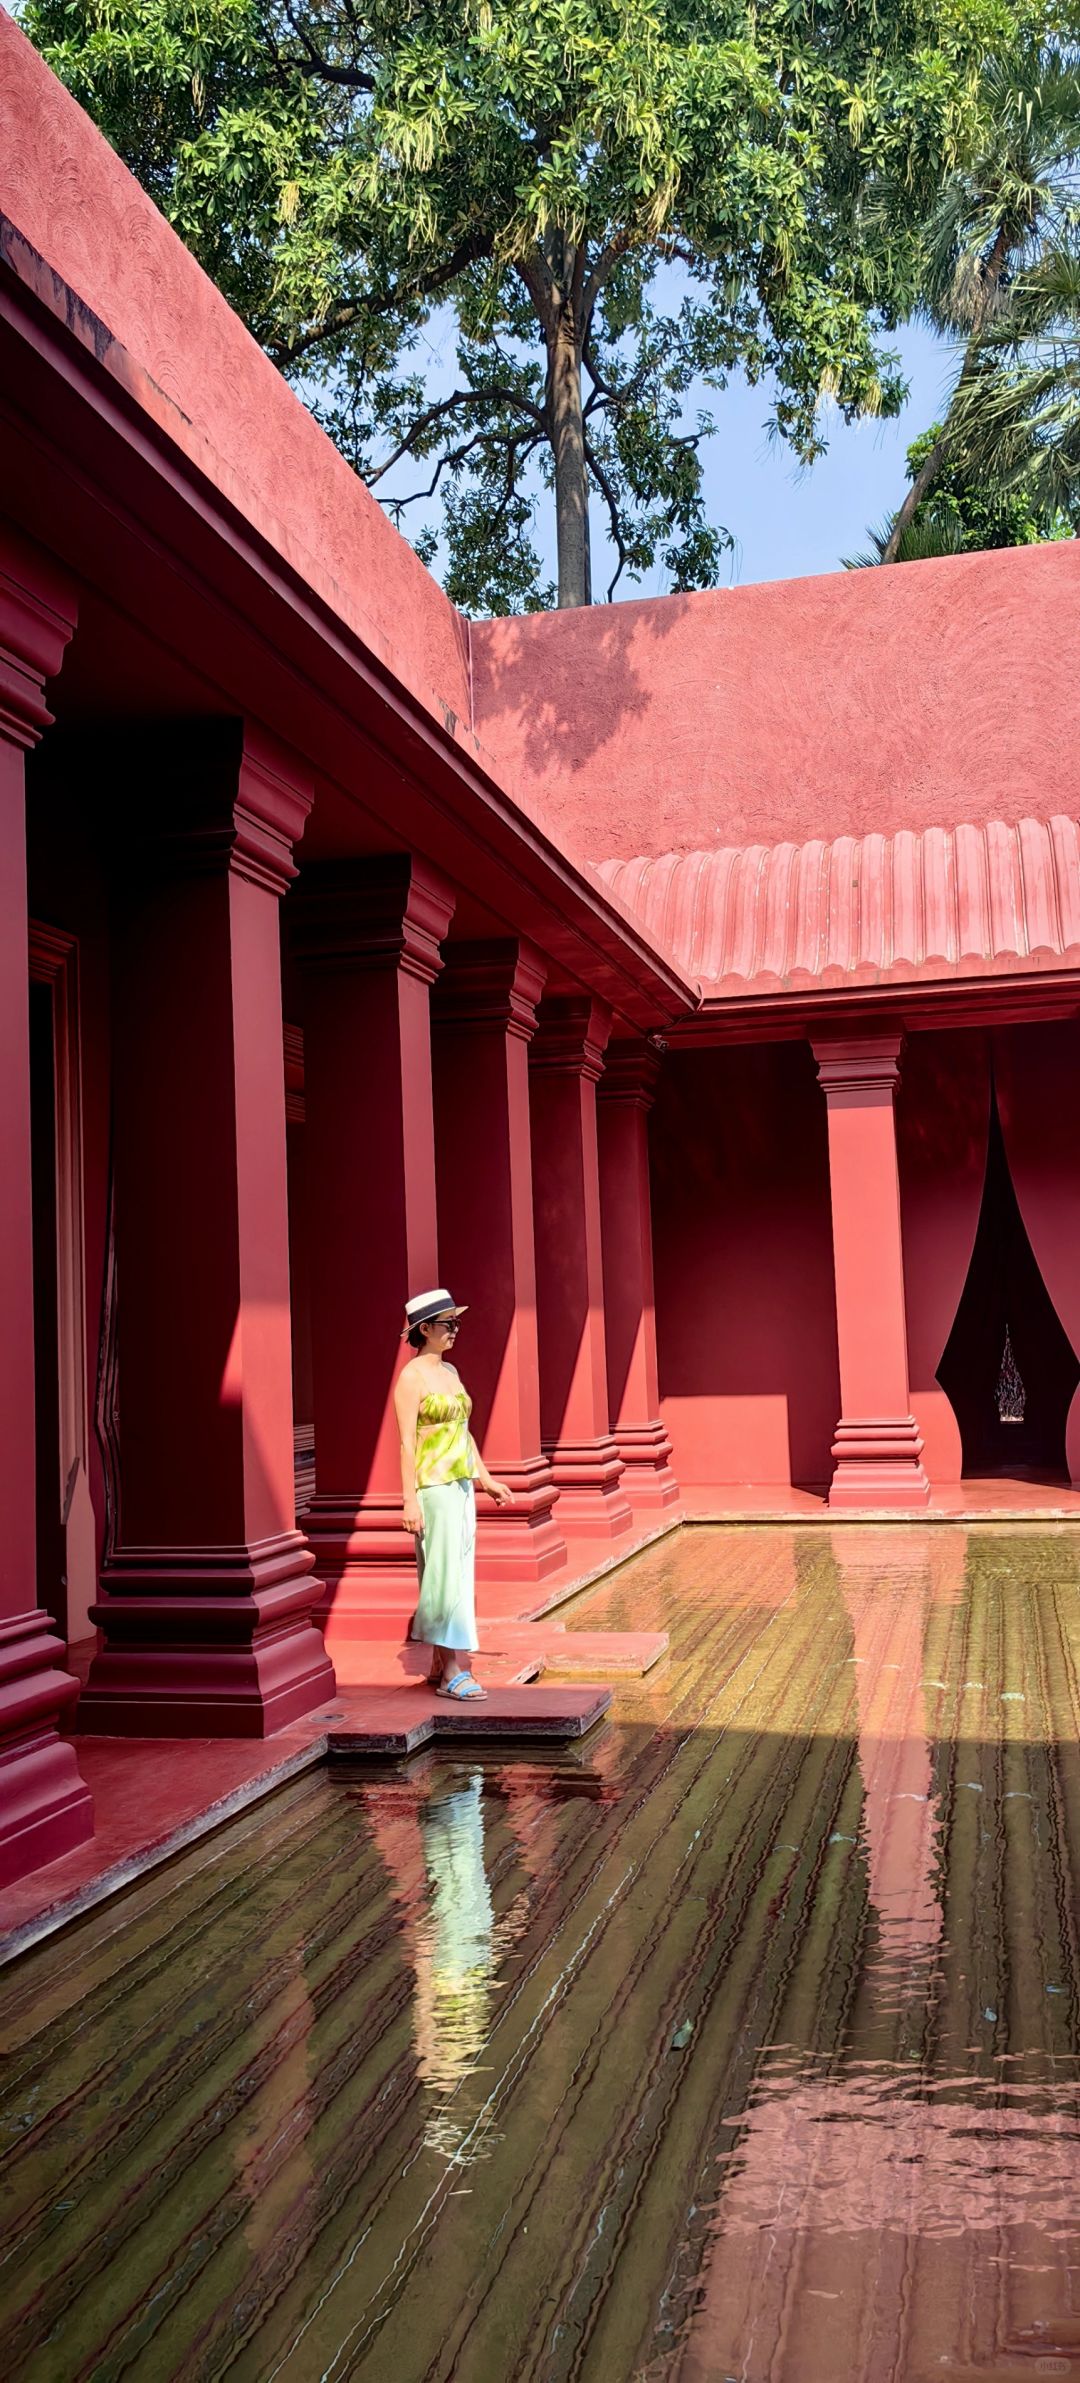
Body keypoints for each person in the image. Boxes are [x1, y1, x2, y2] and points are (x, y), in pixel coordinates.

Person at [394, 1288, 513, 1701]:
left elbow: (462, 1434)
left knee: (458, 1573)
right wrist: (409, 1499)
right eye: (448, 1324)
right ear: (424, 1329)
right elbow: (407, 1443)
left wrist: (486, 1479)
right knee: (444, 1576)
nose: (455, 1331)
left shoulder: (451, 1373)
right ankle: (450, 1672)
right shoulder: (412, 1378)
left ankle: (437, 1662)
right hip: (433, 1487)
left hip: (459, 1485)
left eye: (456, 1323)